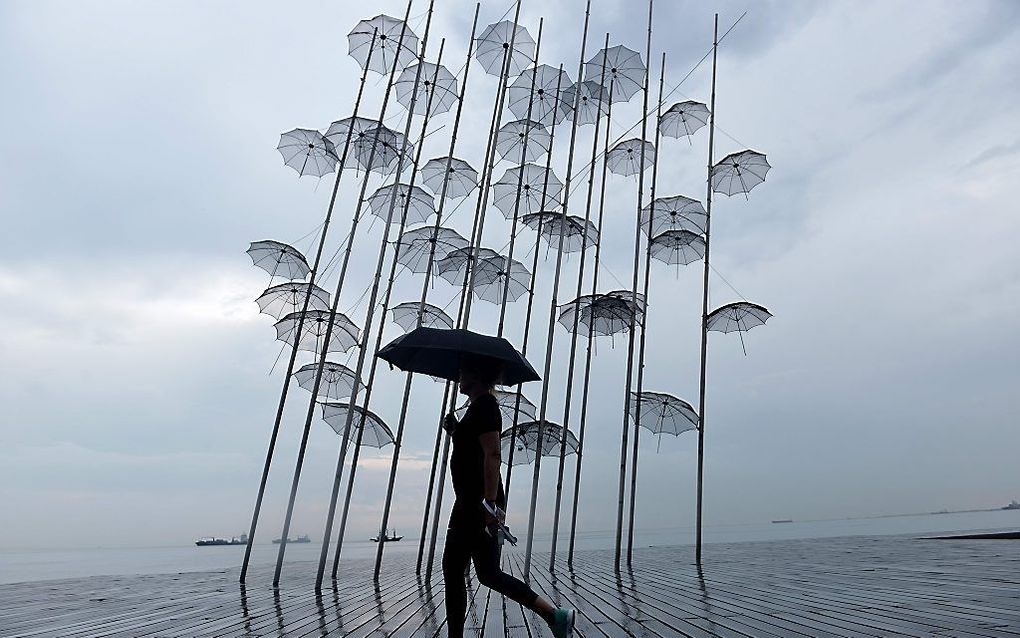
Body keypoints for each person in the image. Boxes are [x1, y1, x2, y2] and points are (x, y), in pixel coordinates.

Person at [442, 355, 575, 638]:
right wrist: (455, 431)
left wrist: (490, 505)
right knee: (488, 574)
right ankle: (555, 615)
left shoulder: (486, 406)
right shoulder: (477, 408)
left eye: (464, 369)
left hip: (476, 503)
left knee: (453, 570)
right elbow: (473, 450)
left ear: (477, 374)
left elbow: (492, 454)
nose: (459, 373)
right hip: (473, 501)